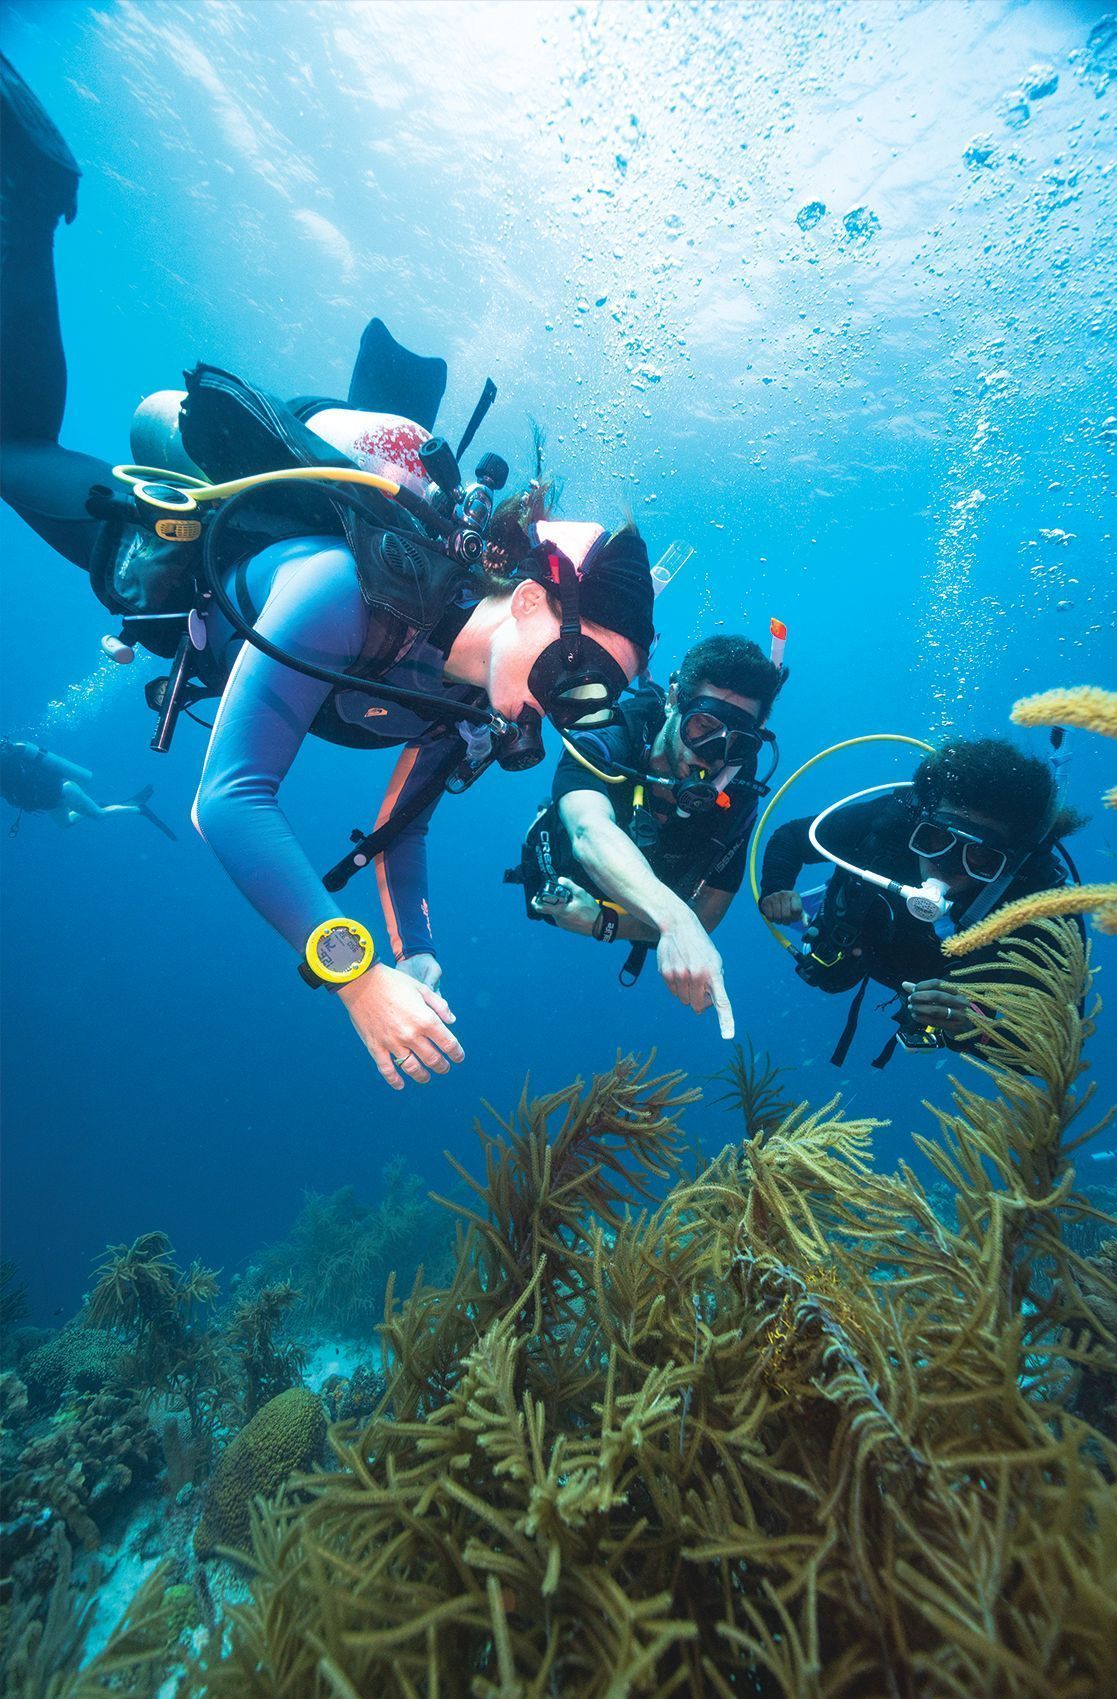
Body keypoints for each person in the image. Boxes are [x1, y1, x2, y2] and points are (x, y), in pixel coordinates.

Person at [0, 57, 657, 1092]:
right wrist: (353, 974)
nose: (571, 702)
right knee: (12, 445)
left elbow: (400, 835)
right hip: (156, 555)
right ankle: (28, 188)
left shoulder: (462, 708)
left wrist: (420, 954)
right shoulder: (341, 591)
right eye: (577, 663)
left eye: (597, 694)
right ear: (531, 597)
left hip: (213, 630)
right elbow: (230, 800)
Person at [507, 635, 788, 1038]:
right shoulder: (613, 730)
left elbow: (707, 912)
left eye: (736, 741)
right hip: (564, 871)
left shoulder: (739, 783)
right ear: (675, 699)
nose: (712, 754)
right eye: (704, 726)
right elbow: (589, 830)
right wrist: (676, 922)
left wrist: (606, 923)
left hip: (631, 914)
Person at [758, 738, 1086, 1066]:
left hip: (947, 992)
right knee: (832, 977)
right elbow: (791, 837)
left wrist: (974, 1028)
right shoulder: (893, 820)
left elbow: (1054, 1051)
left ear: (1011, 861)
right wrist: (777, 887)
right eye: (938, 839)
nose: (948, 864)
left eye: (980, 854)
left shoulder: (1037, 904)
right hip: (856, 944)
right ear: (921, 822)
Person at [0, 738, 176, 838]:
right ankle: (98, 804)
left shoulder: (8, 764)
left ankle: (138, 808)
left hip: (66, 792)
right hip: (52, 802)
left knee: (99, 815)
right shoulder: (6, 775)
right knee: (65, 824)